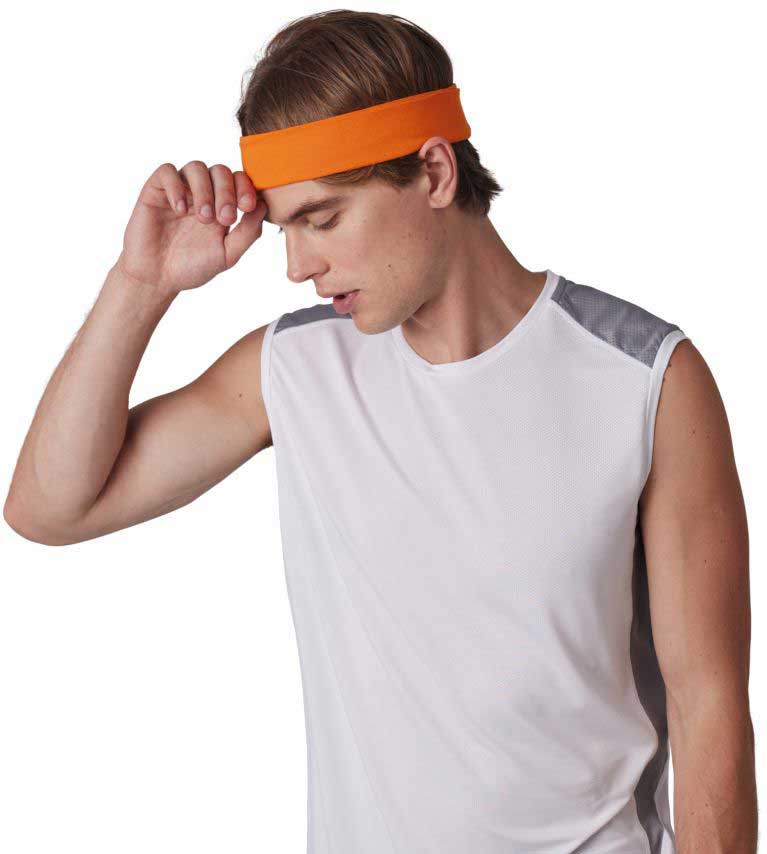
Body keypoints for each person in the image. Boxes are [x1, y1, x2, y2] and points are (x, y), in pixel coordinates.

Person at [3, 9, 756, 854]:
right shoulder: (292, 371)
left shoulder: (643, 377)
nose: (297, 265)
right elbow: (49, 508)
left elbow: (710, 711)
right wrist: (141, 283)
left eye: (322, 220)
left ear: (433, 171)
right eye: (285, 228)